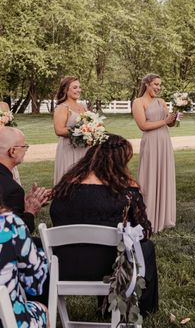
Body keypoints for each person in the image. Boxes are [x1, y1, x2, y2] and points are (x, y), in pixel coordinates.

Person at [49, 134, 158, 315]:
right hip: (110, 271)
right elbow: (144, 230)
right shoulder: (125, 190)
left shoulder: (65, 186)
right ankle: (141, 309)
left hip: (64, 266)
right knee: (146, 247)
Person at [132, 74, 177, 233]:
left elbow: (169, 124)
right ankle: (148, 216)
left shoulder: (161, 102)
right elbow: (143, 125)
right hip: (151, 142)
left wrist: (174, 117)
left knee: (164, 174)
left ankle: (165, 217)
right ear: (147, 84)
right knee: (150, 175)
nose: (158, 87)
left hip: (164, 140)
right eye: (155, 84)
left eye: (159, 85)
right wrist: (165, 121)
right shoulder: (138, 102)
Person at [0, 195, 49, 327]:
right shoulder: (9, 225)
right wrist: (42, 256)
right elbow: (35, 285)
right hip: (9, 320)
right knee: (41, 309)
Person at [0, 127, 49, 233]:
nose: (26, 150)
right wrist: (30, 211)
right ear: (12, 151)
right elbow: (19, 233)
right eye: (24, 146)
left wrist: (23, 202)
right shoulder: (13, 189)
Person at [53, 76, 90, 184]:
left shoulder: (83, 106)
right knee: (70, 179)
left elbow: (89, 124)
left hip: (84, 149)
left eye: (79, 87)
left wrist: (92, 130)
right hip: (69, 149)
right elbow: (59, 130)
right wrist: (81, 130)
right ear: (65, 89)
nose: (78, 90)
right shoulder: (62, 107)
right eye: (75, 87)